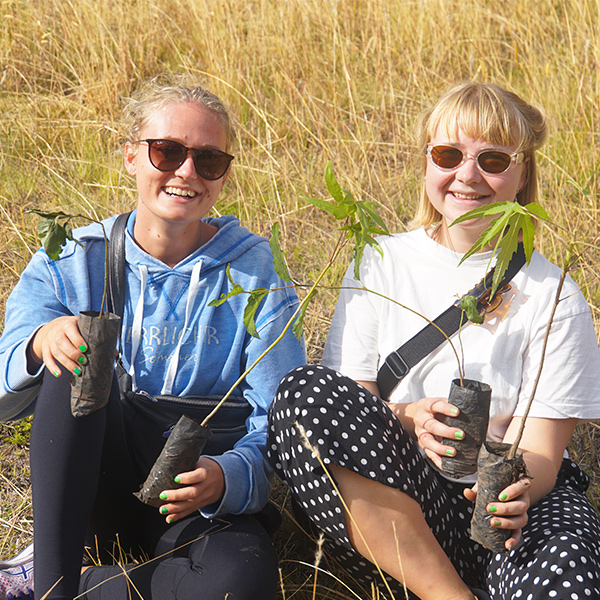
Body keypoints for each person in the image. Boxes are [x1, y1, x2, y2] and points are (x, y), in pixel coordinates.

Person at [267, 82, 600, 599]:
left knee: (565, 575)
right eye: (448, 154)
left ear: (523, 174)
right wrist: (410, 415)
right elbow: (351, 398)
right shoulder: (378, 260)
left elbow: (541, 453)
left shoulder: (555, 292)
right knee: (302, 393)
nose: (467, 175)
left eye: (492, 159)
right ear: (426, 164)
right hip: (398, 510)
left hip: (504, 502)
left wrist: (515, 493)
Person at [0, 78, 306, 600]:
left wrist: (227, 475)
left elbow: (280, 415)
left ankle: (76, 583)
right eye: (167, 152)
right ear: (130, 157)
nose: (187, 172)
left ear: (224, 175)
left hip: (192, 499)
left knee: (242, 583)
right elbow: (6, 387)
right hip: (89, 495)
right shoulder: (75, 256)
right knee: (74, 361)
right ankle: (51, 585)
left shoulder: (257, 272)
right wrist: (40, 340)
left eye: (208, 160)